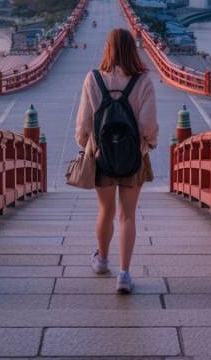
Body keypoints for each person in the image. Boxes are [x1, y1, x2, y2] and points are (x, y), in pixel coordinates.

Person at [75, 28, 158, 293]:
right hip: (134, 155)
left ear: (107, 49)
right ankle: (124, 274)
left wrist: (87, 145)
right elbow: (148, 124)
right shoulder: (143, 81)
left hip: (101, 156)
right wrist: (150, 143)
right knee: (127, 216)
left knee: (105, 211)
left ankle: (101, 261)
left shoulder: (93, 78)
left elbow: (84, 123)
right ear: (133, 50)